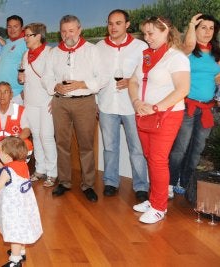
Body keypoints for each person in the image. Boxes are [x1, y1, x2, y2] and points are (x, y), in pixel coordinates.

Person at [129, 16, 190, 224]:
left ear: (165, 31)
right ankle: (155, 198)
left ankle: (159, 207)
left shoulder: (176, 57)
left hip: (167, 114)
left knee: (157, 159)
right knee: (150, 157)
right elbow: (133, 81)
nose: (147, 38)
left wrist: (156, 107)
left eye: (151, 33)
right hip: (145, 113)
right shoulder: (146, 56)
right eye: (144, 33)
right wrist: (137, 102)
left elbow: (183, 89)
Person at [42, 15, 109, 202]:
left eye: (71, 30)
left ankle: (88, 185)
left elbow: (103, 77)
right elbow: (46, 77)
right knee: (61, 144)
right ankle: (64, 182)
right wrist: (55, 86)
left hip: (84, 102)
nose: (67, 35)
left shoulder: (92, 50)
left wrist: (82, 83)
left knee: (86, 145)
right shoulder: (54, 53)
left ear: (79, 30)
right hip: (60, 102)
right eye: (63, 31)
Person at [96, 10, 149, 202]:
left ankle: (141, 186)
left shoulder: (141, 47)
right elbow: (95, 76)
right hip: (106, 104)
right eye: (110, 23)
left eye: (118, 23)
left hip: (132, 106)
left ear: (127, 25)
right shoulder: (99, 47)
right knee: (110, 147)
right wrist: (96, 102)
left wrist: (132, 81)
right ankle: (110, 182)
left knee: (137, 148)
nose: (113, 27)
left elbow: (148, 75)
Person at [168, 13, 220, 198]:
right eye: (203, 27)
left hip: (207, 109)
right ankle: (170, 183)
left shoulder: (216, 53)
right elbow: (189, 44)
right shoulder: (186, 50)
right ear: (195, 30)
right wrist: (191, 24)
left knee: (197, 150)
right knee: (180, 148)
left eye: (211, 28)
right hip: (187, 107)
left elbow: (217, 78)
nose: (207, 32)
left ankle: (186, 182)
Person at [0, 136, 43, 267]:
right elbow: (14, 174)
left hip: (13, 209)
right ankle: (21, 251)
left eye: (0, 152)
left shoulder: (7, 171)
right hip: (24, 206)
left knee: (15, 233)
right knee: (22, 228)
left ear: (8, 157)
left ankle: (15, 260)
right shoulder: (23, 165)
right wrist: (3, 166)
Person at [19, 22, 57, 186]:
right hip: (30, 100)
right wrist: (21, 79)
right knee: (35, 135)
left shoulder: (50, 53)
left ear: (39, 36)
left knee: (46, 136)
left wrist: (56, 98)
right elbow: (23, 75)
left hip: (47, 101)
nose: (25, 38)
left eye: (28, 35)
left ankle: (52, 172)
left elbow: (56, 78)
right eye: (25, 35)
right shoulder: (26, 55)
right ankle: (40, 169)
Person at [0, 82, 32, 177]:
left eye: (6, 92)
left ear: (11, 95)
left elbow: (27, 130)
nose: (2, 95)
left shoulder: (20, 109)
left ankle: (15, 168)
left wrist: (12, 143)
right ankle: (8, 169)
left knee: (27, 144)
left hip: (13, 148)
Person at [0, 15, 28, 105]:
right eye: (9, 27)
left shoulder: (26, 42)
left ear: (22, 28)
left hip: (16, 94)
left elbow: (31, 69)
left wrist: (25, 91)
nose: (12, 30)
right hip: (0, 93)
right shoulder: (6, 43)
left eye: (15, 26)